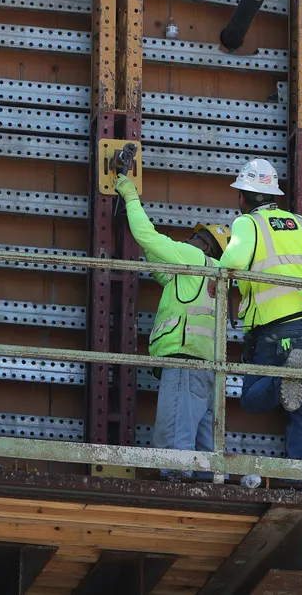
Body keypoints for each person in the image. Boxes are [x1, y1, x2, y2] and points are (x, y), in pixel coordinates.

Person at [220, 158, 302, 473]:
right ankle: (296, 480)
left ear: (243, 197)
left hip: (275, 329)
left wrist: (218, 280)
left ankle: (284, 377)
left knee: (252, 398)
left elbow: (233, 259)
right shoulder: (301, 223)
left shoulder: (247, 224)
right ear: (273, 195)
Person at [115, 171, 229, 482]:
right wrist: (134, 218)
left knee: (175, 439)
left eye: (195, 238)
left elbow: (148, 238)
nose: (187, 240)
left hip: (185, 365)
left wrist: (129, 196)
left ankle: (176, 491)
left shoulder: (193, 259)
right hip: (209, 373)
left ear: (204, 246)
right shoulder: (214, 276)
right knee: (206, 447)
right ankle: (212, 492)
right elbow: (155, 258)